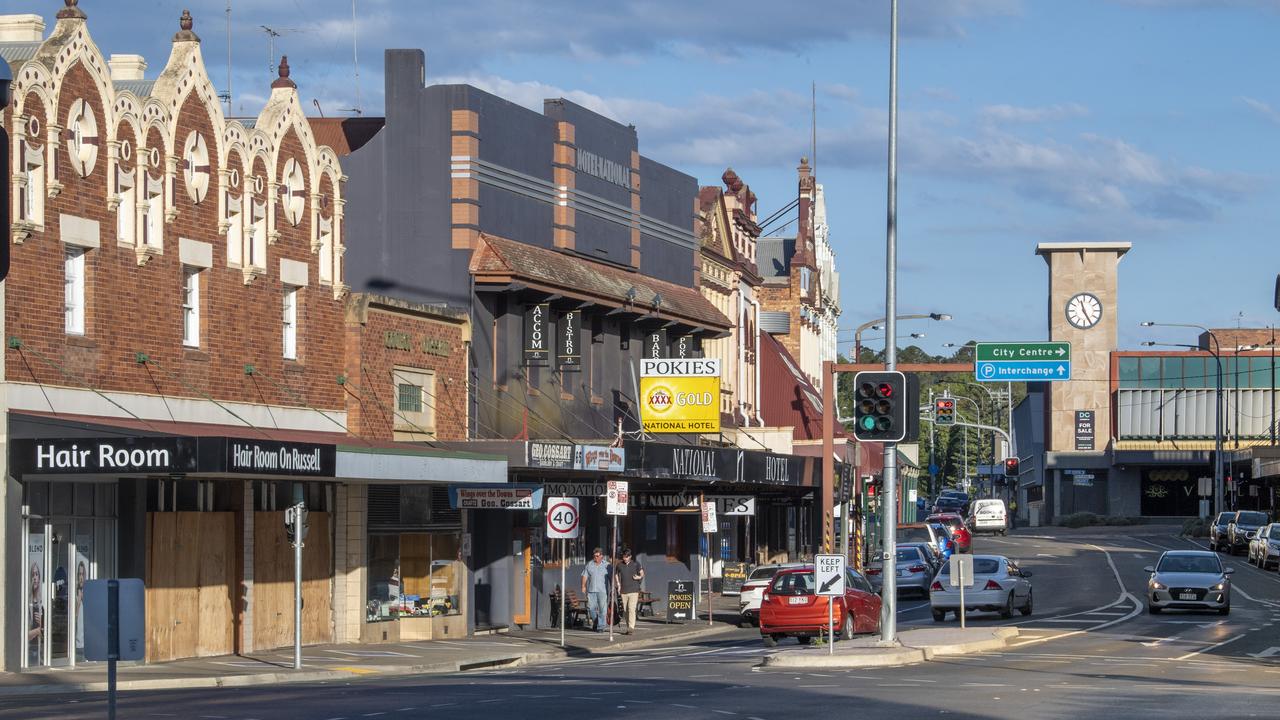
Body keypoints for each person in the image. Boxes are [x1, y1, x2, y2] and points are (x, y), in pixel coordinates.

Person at [615, 547, 644, 635]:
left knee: (631, 608)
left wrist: (639, 577)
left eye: (626, 557)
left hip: (634, 590)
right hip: (624, 590)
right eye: (624, 556)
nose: (625, 558)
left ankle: (631, 627)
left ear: (630, 556)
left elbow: (642, 573)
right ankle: (629, 627)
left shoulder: (635, 564)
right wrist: (618, 584)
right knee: (625, 610)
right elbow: (616, 574)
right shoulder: (619, 565)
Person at [580, 547, 610, 632]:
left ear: (602, 556)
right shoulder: (590, 564)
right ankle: (596, 622)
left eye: (597, 556)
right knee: (590, 608)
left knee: (602, 610)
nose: (595, 558)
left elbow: (612, 577)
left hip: (602, 591)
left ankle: (600, 627)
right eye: (594, 556)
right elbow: (584, 575)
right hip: (591, 590)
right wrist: (583, 586)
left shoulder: (607, 565)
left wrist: (615, 587)